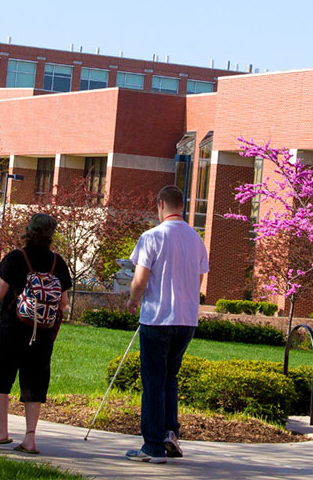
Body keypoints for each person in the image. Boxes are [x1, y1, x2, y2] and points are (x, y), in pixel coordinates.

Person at [0, 213, 71, 455]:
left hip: (12, 328)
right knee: (35, 381)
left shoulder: (15, 258)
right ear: (51, 236)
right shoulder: (58, 263)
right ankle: (30, 439)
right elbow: (63, 303)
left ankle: (1, 432)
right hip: (42, 333)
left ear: (28, 231)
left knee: (0, 375)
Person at [124, 185, 209, 464]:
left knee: (153, 380)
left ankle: (152, 446)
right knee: (170, 378)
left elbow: (140, 280)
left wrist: (132, 300)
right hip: (186, 320)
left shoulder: (152, 237)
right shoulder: (196, 239)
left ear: (161, 204)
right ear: (182, 206)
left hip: (157, 318)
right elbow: (198, 281)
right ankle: (169, 433)